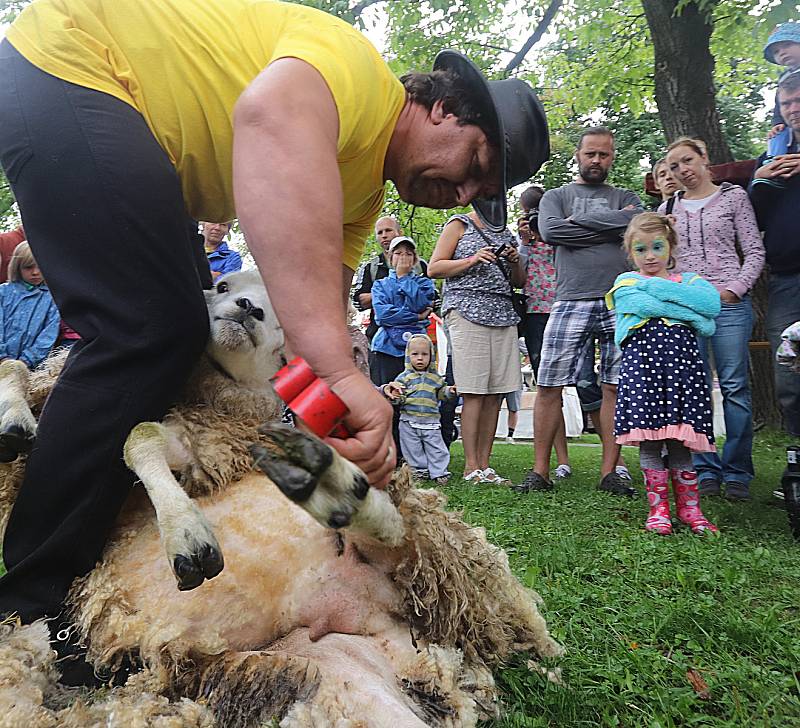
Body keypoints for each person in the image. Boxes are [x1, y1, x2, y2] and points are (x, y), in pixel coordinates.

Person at [0, 0, 549, 681]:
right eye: (473, 164)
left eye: (479, 192)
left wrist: (340, 414)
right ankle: (29, 606)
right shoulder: (357, 76)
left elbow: (310, 325)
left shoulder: (359, 200)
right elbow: (267, 119)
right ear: (443, 108)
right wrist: (345, 379)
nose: (460, 191)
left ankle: (119, 552)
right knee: (152, 329)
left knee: (184, 352)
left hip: (124, 126)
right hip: (73, 65)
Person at [517, 127, 642, 494]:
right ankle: (540, 472)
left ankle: (611, 472)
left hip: (620, 299)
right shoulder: (558, 195)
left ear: (612, 157)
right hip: (569, 298)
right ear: (578, 154)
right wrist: (611, 228)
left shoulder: (626, 196)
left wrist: (577, 225)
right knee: (550, 384)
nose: (596, 161)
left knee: (613, 386)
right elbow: (551, 231)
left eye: (603, 155)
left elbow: (635, 226)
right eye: (591, 154)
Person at [663, 137, 765, 501]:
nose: (682, 171)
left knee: (735, 387)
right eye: (674, 166)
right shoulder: (669, 207)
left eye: (687, 161)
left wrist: (735, 289)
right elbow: (660, 262)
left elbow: (753, 249)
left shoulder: (733, 196)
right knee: (696, 389)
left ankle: (737, 472)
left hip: (730, 305)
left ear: (704, 159)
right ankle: (705, 467)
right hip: (689, 309)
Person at [607, 213, 720, 534]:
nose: (651, 256)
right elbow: (639, 304)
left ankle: (690, 510)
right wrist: (689, 314)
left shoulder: (691, 281)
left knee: (681, 441)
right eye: (641, 250)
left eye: (658, 247)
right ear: (631, 254)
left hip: (682, 374)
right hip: (644, 373)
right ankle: (658, 511)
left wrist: (658, 292)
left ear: (671, 247)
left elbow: (710, 305)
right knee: (651, 442)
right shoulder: (625, 283)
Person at [429, 211, 525, 484]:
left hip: (503, 313)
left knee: (496, 392)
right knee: (474, 391)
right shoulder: (459, 224)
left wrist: (515, 261)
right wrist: (472, 259)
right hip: (466, 310)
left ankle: (485, 464)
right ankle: (471, 467)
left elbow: (518, 281)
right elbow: (434, 268)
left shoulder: (506, 232)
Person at [750, 71, 800, 439]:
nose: (794, 109)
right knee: (789, 376)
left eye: (799, 101)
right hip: (786, 277)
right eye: (787, 103)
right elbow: (756, 218)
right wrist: (761, 179)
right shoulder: (770, 155)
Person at [516, 185, 571, 477]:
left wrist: (548, 231)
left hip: (566, 308)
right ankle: (558, 460)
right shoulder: (523, 242)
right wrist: (524, 242)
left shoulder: (559, 233)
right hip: (536, 315)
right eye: (528, 212)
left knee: (588, 386)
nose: (533, 217)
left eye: (537, 210)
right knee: (549, 390)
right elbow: (518, 275)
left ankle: (615, 463)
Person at [382, 333, 456, 485]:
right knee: (412, 448)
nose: (420, 358)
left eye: (425, 354)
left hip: (431, 421)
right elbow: (400, 398)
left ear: (432, 356)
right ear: (408, 356)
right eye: (415, 354)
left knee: (436, 447)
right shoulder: (403, 378)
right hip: (408, 421)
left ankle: (439, 472)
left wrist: (449, 391)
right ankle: (419, 470)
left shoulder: (436, 378)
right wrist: (396, 398)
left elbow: (442, 394)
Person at [352, 216, 430, 352]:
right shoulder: (371, 267)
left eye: (388, 230)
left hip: (417, 342)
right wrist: (391, 292)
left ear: (400, 232)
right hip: (381, 341)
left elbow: (430, 302)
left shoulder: (421, 266)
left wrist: (387, 295)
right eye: (380, 233)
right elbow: (359, 302)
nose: (384, 236)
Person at [0, 242, 59, 369]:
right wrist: (3, 357)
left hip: (31, 368)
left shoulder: (52, 298)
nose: (35, 272)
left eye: (40, 267)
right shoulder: (3, 292)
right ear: (17, 267)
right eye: (28, 267)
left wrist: (27, 360)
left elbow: (49, 333)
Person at [763, 22, 800, 141]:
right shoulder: (784, 77)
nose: (782, 53)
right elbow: (779, 104)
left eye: (787, 45)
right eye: (776, 52)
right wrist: (777, 122)